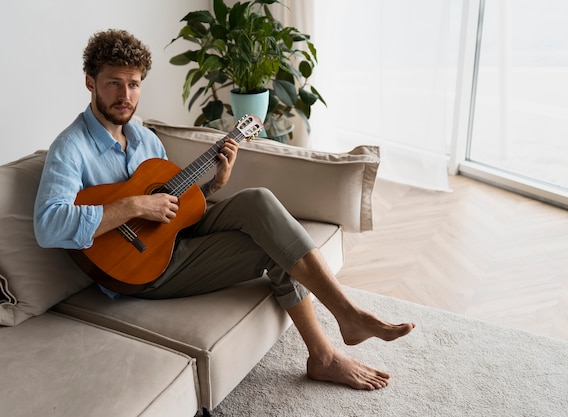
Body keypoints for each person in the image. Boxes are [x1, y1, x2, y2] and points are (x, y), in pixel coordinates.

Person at [34, 29, 415, 391]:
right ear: (90, 82)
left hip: (173, 237)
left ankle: (344, 317)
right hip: (140, 268)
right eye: (113, 82)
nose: (125, 95)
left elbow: (173, 208)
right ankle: (325, 351)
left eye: (133, 84)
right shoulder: (70, 148)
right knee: (272, 246)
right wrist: (134, 205)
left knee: (259, 200)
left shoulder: (145, 138)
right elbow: (49, 225)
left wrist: (214, 183)